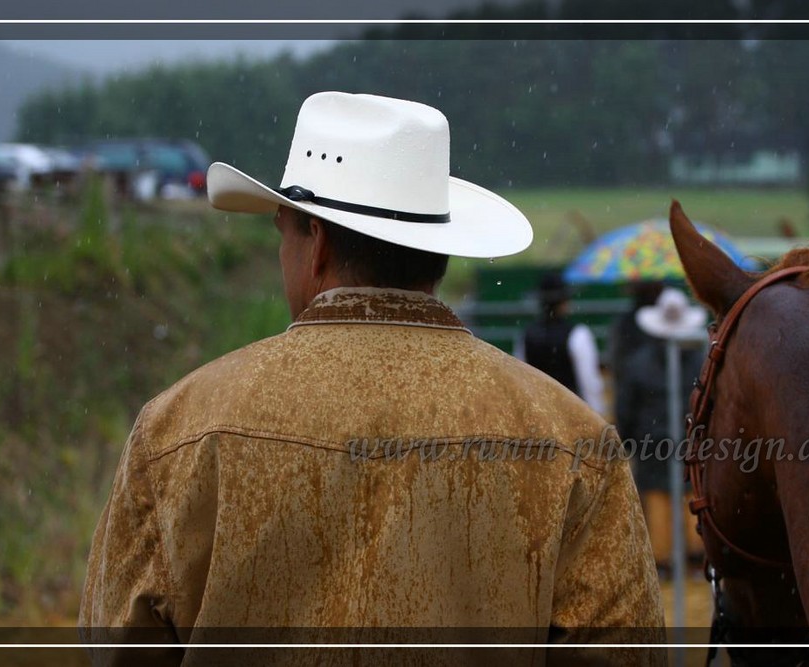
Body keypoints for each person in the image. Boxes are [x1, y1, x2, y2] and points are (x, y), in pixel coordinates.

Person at [78, 91, 665, 663]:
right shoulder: (574, 444)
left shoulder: (177, 432)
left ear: (317, 244)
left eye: (282, 231)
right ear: (436, 248)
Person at [611, 285, 705, 577]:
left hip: (652, 441)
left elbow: (626, 407)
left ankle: (663, 561)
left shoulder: (637, 364)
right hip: (689, 440)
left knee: (656, 497)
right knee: (691, 493)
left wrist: (628, 439)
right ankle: (695, 554)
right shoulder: (700, 363)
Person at [517, 273, 607, 416]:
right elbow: (589, 381)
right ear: (564, 302)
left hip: (540, 412)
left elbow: (521, 377)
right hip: (571, 412)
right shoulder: (578, 334)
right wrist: (597, 413)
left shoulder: (527, 334)